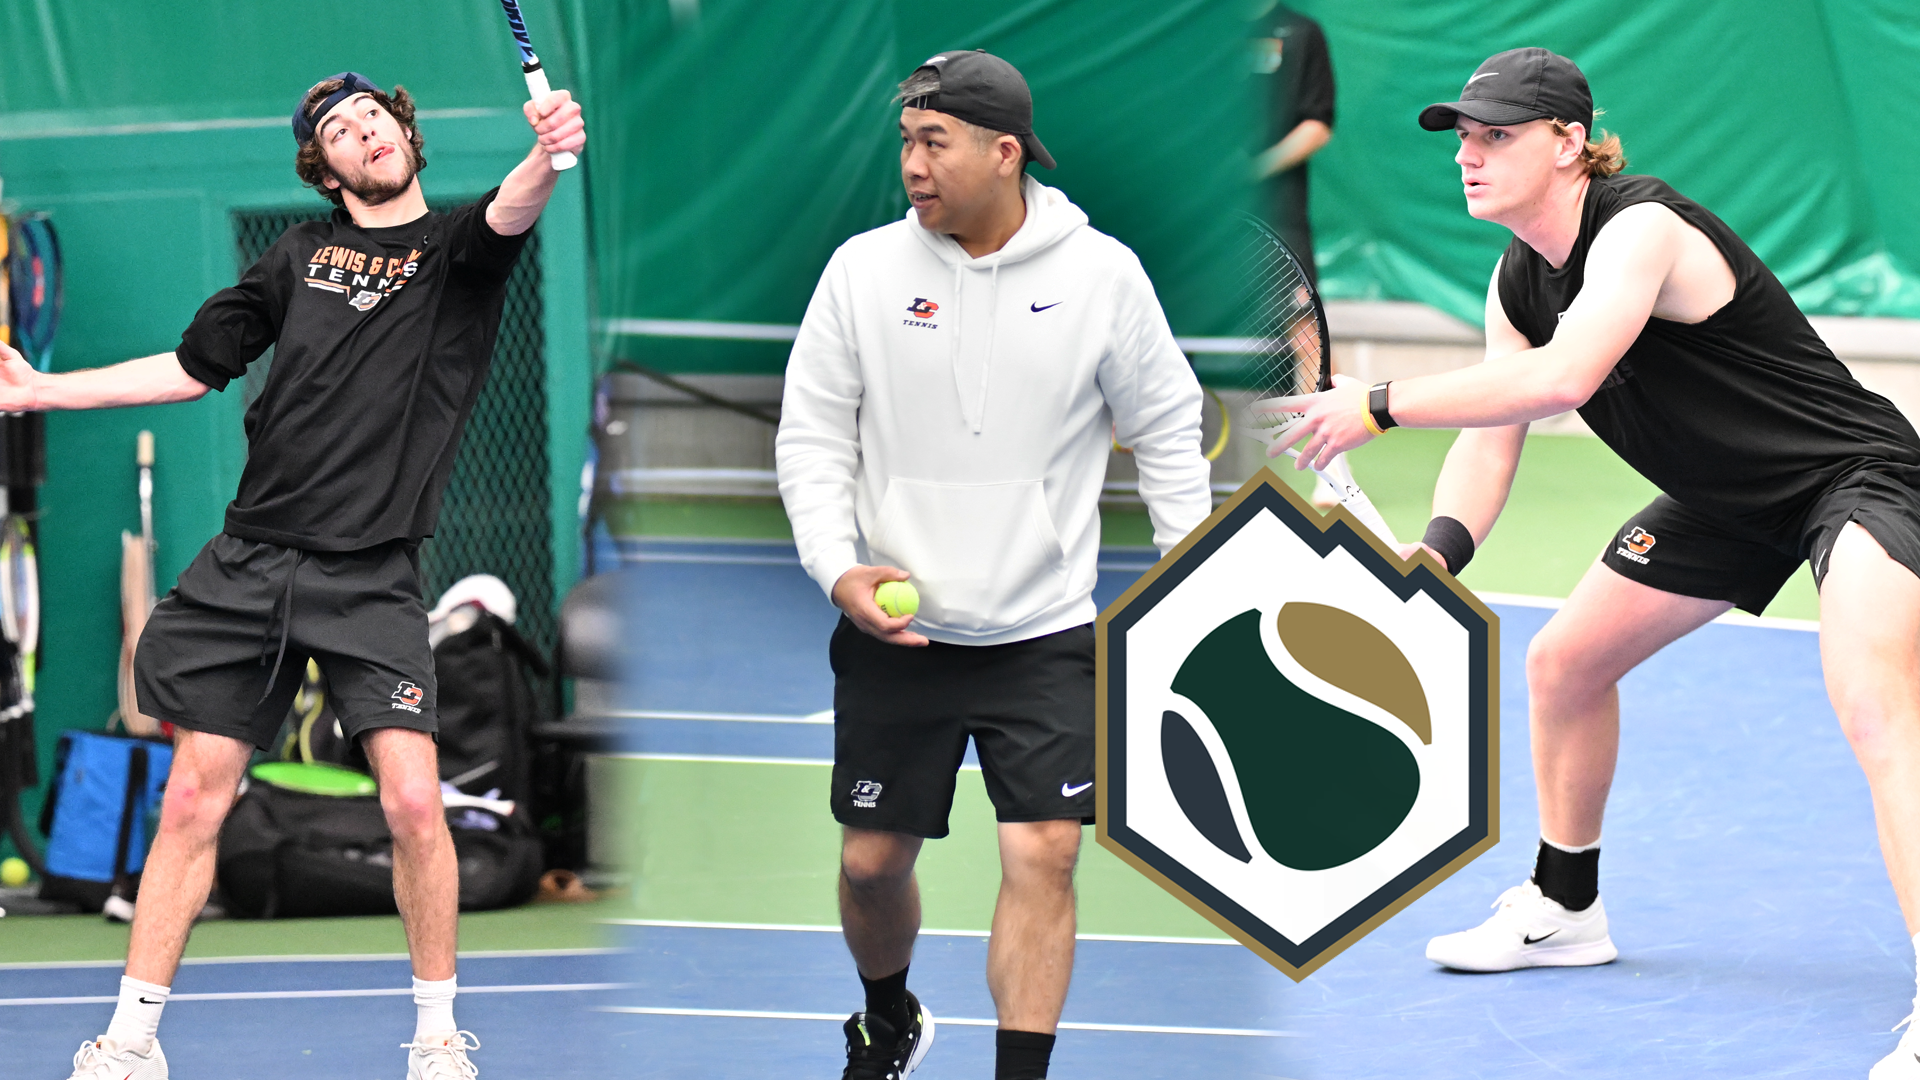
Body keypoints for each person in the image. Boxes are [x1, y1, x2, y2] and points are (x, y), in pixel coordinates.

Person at [1271, 46, 1920, 1078]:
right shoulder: (1514, 282)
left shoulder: (1641, 227)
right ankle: (1567, 909)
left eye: (1497, 136)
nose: (1469, 157)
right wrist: (1440, 552)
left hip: (1855, 479)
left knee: (1879, 710)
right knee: (1564, 664)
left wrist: (1380, 405)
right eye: (1463, 139)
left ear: (1571, 142)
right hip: (1724, 501)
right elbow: (1495, 434)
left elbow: (1565, 377)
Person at [15, 70, 585, 1080]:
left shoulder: (457, 252)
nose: (363, 129)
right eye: (338, 130)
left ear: (403, 131)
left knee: (415, 804)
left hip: (371, 578)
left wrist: (546, 150)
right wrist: (41, 391)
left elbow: (513, 207)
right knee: (193, 800)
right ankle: (131, 1043)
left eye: (373, 114)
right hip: (251, 566)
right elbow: (189, 370)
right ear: (324, 170)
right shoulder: (296, 256)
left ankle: (436, 1039)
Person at [775, 49, 1211, 1080]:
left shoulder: (1102, 275)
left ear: (1005, 152)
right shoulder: (861, 272)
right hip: (897, 632)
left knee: (1044, 851)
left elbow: (1167, 423)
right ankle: (889, 1016)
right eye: (905, 142)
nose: (912, 165)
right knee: (871, 864)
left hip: (1045, 630)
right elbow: (813, 436)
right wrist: (836, 567)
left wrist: (1189, 573)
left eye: (934, 142)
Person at [1251, 2, 1335, 283]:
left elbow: (1317, 126)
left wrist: (1252, 170)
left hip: (1282, 216)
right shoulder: (1201, 34)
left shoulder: (1302, 31)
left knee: (1300, 306)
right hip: (1210, 220)